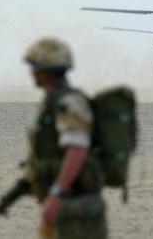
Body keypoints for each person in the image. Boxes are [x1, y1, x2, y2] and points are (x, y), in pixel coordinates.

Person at [23, 37, 105, 239]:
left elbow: (77, 150)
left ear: (47, 70)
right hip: (64, 201)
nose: (32, 72)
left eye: (35, 67)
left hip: (74, 204)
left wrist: (56, 194)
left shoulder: (68, 101)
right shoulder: (52, 101)